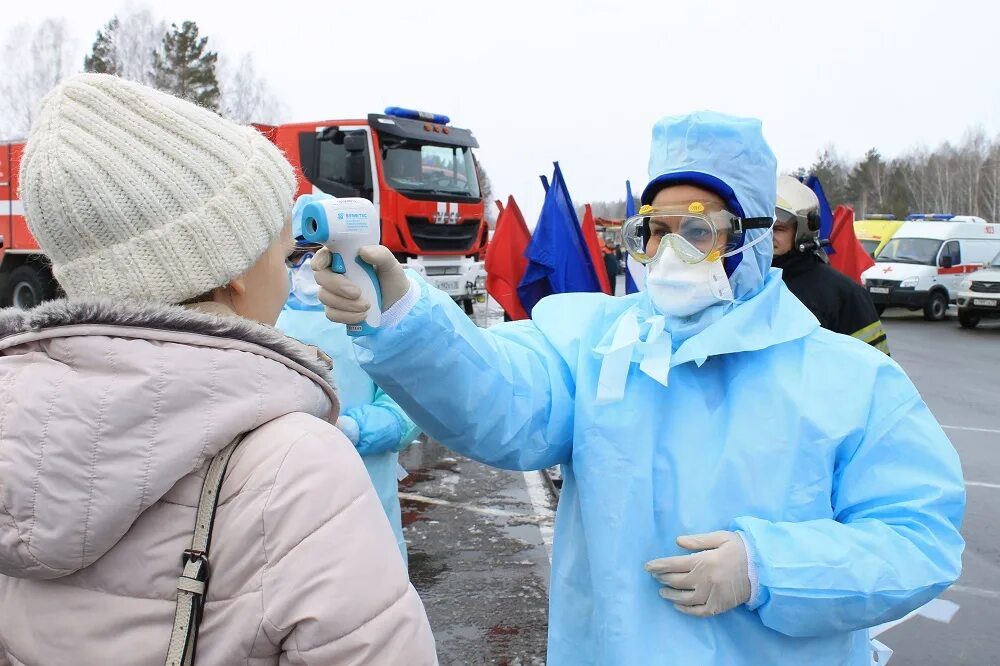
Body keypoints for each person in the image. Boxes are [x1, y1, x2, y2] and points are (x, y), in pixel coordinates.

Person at [312, 110, 965, 665]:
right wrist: (405, 314)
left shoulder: (848, 380)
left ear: (757, 239)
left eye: (700, 230)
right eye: (656, 228)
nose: (671, 250)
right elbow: (501, 400)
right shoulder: (598, 343)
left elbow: (918, 538)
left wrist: (770, 567)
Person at [0, 74, 435, 665]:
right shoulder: (295, 465)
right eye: (285, 257)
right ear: (233, 270)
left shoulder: (17, 435)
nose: (292, 278)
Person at [278, 193, 419, 563]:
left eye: (322, 251)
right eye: (298, 254)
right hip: (289, 493)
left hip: (366, 486)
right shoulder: (268, 318)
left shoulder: (374, 316)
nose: (309, 264)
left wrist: (353, 429)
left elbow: (407, 406)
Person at [773, 175, 890, 353]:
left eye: (778, 229)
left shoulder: (844, 294)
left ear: (804, 229)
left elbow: (876, 370)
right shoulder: (747, 284)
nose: (768, 236)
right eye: (763, 228)